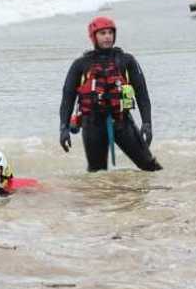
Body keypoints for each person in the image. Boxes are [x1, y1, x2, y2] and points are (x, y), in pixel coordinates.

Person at [59, 16, 161, 173]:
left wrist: (147, 123)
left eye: (110, 33)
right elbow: (68, 97)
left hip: (121, 122)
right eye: (102, 33)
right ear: (94, 37)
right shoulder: (81, 64)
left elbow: (142, 93)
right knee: (97, 174)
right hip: (92, 125)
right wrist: (64, 128)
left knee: (150, 166)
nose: (107, 36)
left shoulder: (126, 61)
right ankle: (105, 198)